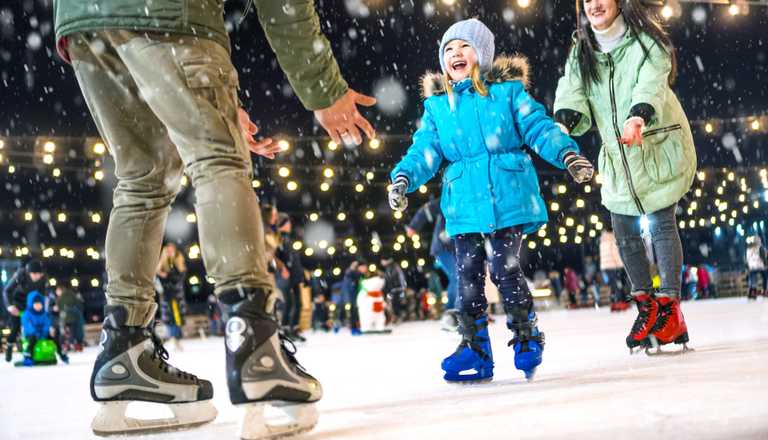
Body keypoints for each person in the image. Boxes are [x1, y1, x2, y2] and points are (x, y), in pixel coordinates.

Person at [53, 0, 376, 434]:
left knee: (142, 178)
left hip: (85, 22)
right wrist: (324, 88)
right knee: (219, 161)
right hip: (167, 13)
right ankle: (255, 343)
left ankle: (124, 349)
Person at [388, 18, 593, 383]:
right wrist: (403, 177)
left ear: (481, 54)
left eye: (464, 46)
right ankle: (475, 348)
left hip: (507, 196)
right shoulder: (438, 107)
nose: (455, 54)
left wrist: (567, 154)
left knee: (504, 268)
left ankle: (526, 335)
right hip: (464, 202)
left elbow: (539, 127)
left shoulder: (508, 93)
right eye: (448, 50)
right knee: (466, 275)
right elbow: (425, 151)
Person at [554, 0, 696, 354]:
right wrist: (562, 123)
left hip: (654, 142)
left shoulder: (646, 40)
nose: (594, 4)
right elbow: (572, 90)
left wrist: (638, 116)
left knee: (662, 220)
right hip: (618, 155)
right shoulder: (581, 51)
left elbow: (651, 82)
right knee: (623, 228)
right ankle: (647, 307)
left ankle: (670, 308)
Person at [406, 199, 458, 329]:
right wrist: (414, 226)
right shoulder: (451, 197)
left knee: (464, 276)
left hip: (458, 247)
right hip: (444, 247)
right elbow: (427, 209)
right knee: (457, 276)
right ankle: (451, 313)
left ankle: (467, 312)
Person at [3, 260, 47, 363]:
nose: (37, 277)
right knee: (15, 327)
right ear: (28, 272)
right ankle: (10, 346)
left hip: (32, 304)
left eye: (39, 274)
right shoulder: (20, 274)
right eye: (34, 274)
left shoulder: (43, 279)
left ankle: (32, 350)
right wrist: (9, 306)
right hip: (17, 303)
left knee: (36, 326)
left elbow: (42, 294)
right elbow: (6, 290)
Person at [20, 290, 69, 366]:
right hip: (31, 334)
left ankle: (61, 353)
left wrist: (46, 331)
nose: (38, 306)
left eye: (40, 304)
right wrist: (35, 332)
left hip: (43, 333)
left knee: (54, 337)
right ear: (31, 304)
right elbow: (27, 325)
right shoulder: (26, 314)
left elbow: (47, 323)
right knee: (32, 339)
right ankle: (28, 355)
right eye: (36, 304)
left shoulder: (44, 314)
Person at [156, 243, 188, 351]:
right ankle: (174, 339)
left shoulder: (178, 264)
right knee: (169, 319)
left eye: (171, 250)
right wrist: (162, 277)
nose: (169, 252)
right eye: (167, 250)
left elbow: (177, 279)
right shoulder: (161, 265)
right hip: (166, 297)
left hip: (176, 296)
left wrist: (167, 276)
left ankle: (176, 339)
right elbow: (158, 281)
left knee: (177, 319)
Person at [600, 229, 630, 311]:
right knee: (618, 285)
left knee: (612, 285)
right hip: (613, 266)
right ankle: (620, 301)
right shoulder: (612, 239)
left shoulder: (603, 240)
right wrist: (621, 265)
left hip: (605, 266)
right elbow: (615, 253)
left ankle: (614, 301)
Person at [53, 286, 86, 351]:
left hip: (66, 319)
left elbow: (58, 308)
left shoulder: (61, 298)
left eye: (57, 291)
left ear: (60, 290)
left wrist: (56, 308)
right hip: (75, 318)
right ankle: (76, 345)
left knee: (67, 332)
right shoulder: (72, 295)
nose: (56, 293)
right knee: (74, 332)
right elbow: (79, 304)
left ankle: (69, 345)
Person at [381, 257, 407, 322]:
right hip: (392, 289)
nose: (382, 263)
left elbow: (400, 278)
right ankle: (395, 316)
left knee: (396, 302)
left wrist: (402, 287)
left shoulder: (395, 267)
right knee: (392, 303)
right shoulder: (388, 269)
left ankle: (398, 316)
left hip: (397, 288)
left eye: (383, 261)